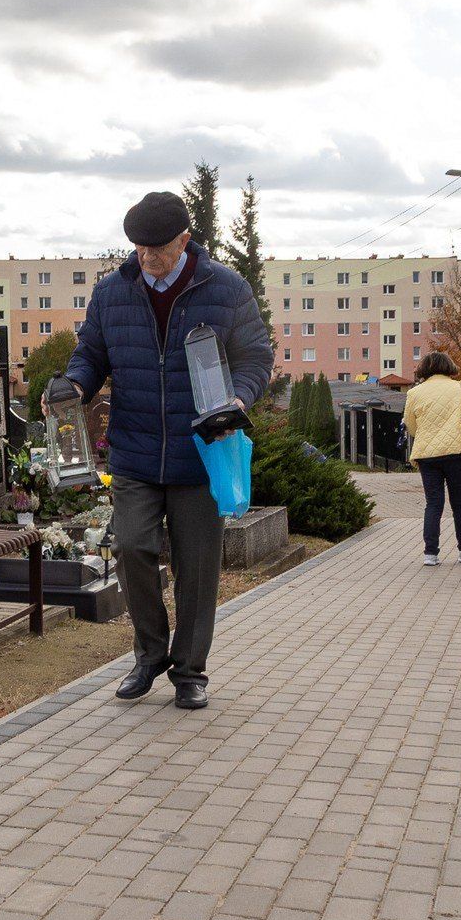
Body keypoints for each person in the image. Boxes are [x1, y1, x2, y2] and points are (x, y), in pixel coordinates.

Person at [60, 191, 272, 710]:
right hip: (135, 451)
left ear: (184, 239)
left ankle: (191, 670)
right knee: (131, 547)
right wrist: (74, 385)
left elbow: (256, 356)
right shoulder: (112, 292)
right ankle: (149, 654)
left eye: (158, 248)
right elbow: (91, 353)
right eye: (139, 248)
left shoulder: (225, 288)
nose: (147, 257)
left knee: (198, 567)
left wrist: (239, 397)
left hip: (202, 451)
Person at [403, 351, 461, 566]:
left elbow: (410, 425)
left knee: (433, 503)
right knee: (460, 503)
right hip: (457, 452)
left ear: (425, 369)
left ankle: (430, 553)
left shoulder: (415, 393)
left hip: (427, 455)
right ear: (449, 367)